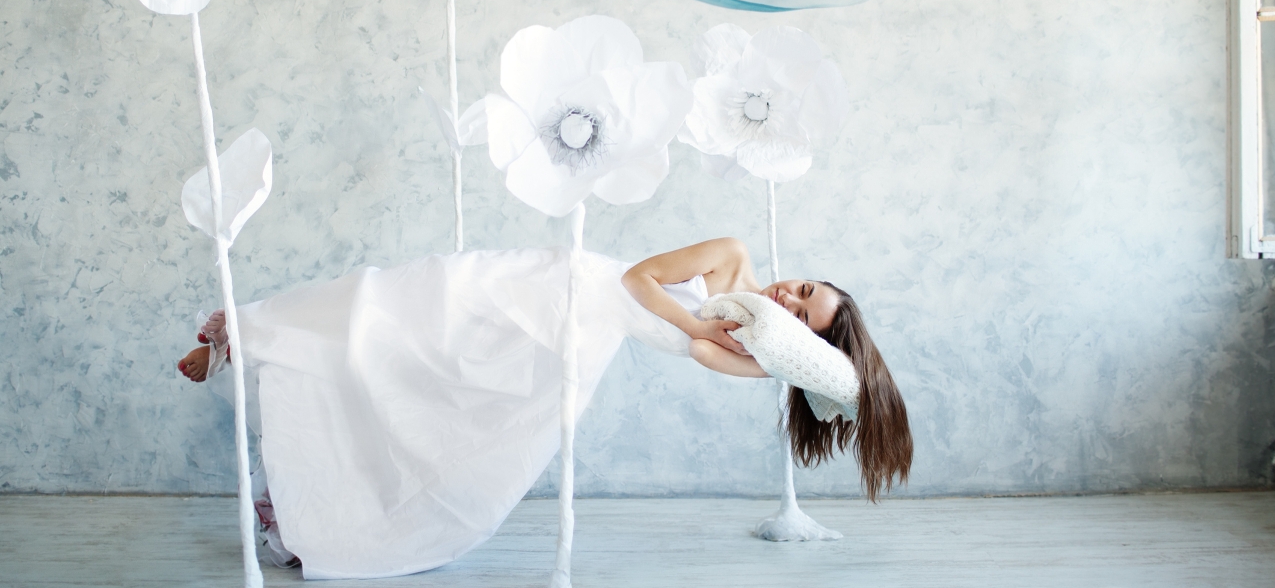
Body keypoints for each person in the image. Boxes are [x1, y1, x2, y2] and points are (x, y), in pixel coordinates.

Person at [176, 238, 911, 578]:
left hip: (577, 341)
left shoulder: (752, 346)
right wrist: (705, 320)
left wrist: (793, 364)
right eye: (805, 286)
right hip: (569, 287)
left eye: (803, 310)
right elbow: (638, 278)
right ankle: (249, 331)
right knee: (418, 307)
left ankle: (311, 482)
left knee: (455, 400)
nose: (789, 296)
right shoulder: (733, 260)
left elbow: (703, 357)